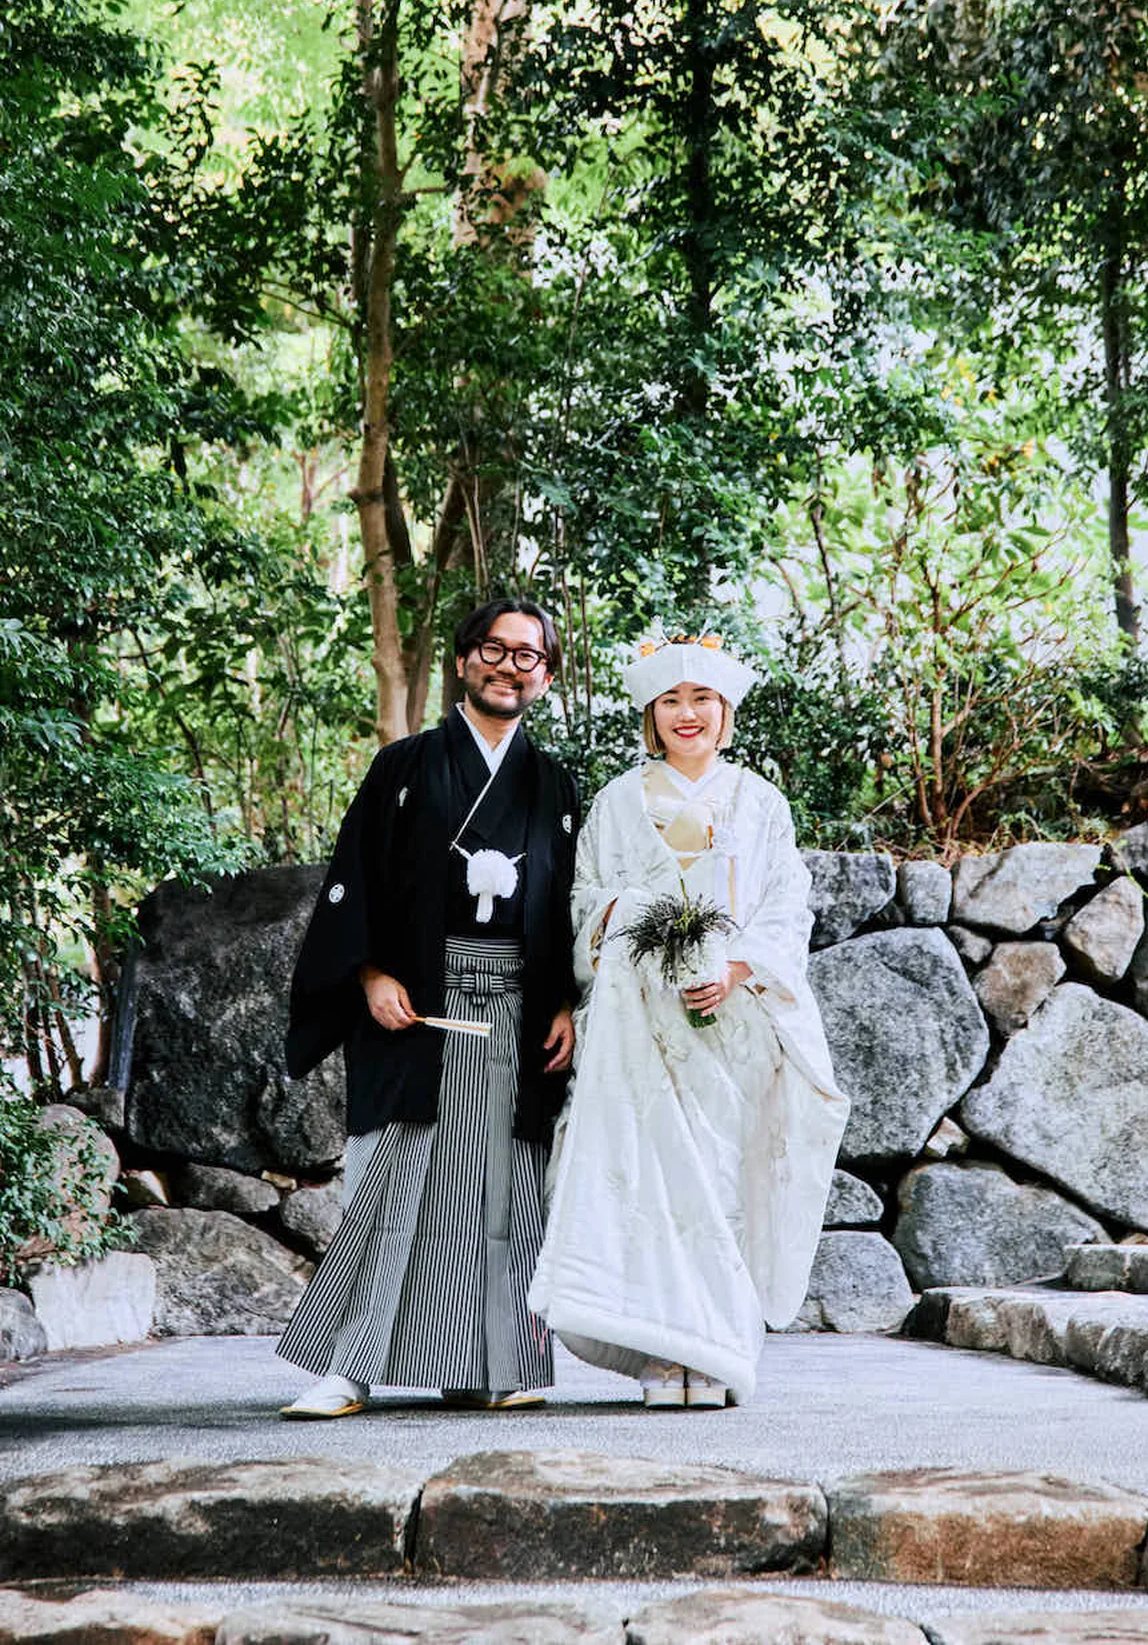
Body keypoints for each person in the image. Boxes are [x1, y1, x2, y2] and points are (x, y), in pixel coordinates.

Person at [529, 633, 849, 1409]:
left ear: (724, 710)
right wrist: (629, 916)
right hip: (637, 1024)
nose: (687, 713)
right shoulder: (615, 801)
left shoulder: (758, 802)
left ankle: (717, 1350)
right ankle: (659, 1355)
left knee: (720, 1180)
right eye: (670, 701)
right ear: (651, 714)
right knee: (646, 1178)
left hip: (729, 1022)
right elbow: (581, 902)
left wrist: (737, 966)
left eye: (702, 699)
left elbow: (785, 905)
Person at [277, 597, 578, 1417]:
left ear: (546, 676)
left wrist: (568, 1003)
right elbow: (355, 883)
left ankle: (490, 1363)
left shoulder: (554, 784)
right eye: (493, 649)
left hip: (518, 1010)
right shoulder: (402, 768)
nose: (508, 665)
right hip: (416, 1004)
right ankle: (349, 1366)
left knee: (502, 1188)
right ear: (462, 661)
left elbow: (573, 907)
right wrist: (369, 972)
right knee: (396, 1179)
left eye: (528, 655)